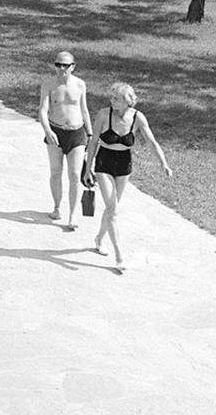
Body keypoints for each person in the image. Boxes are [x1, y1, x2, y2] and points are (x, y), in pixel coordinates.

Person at [83, 82, 172, 272]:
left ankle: (99, 238)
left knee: (111, 208)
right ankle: (119, 256)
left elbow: (152, 142)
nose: (112, 100)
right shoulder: (103, 115)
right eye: (112, 97)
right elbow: (93, 143)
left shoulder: (137, 117)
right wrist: (87, 167)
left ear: (127, 101)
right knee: (113, 209)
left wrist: (163, 163)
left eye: (117, 98)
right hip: (104, 163)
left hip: (124, 165)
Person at [38, 51, 93, 230]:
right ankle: (57, 207)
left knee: (75, 174)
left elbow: (84, 110)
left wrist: (90, 134)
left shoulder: (80, 84)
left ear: (73, 66)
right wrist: (47, 131)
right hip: (55, 131)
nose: (61, 69)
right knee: (56, 172)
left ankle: (73, 214)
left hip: (76, 133)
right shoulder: (49, 85)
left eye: (65, 65)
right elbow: (42, 111)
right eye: (58, 65)